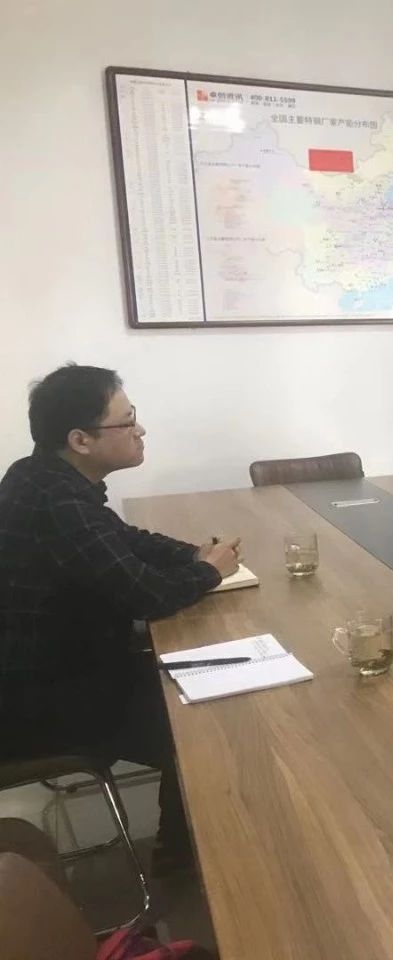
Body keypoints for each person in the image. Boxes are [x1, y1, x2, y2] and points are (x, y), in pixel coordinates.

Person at [0, 364, 241, 871]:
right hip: (39, 701)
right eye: (127, 421)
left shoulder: (42, 475)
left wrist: (194, 553)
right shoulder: (57, 501)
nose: (140, 429)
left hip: (59, 671)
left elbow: (123, 541)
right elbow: (143, 595)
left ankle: (182, 851)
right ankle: (186, 862)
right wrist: (209, 573)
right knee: (209, 723)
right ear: (81, 440)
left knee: (207, 684)